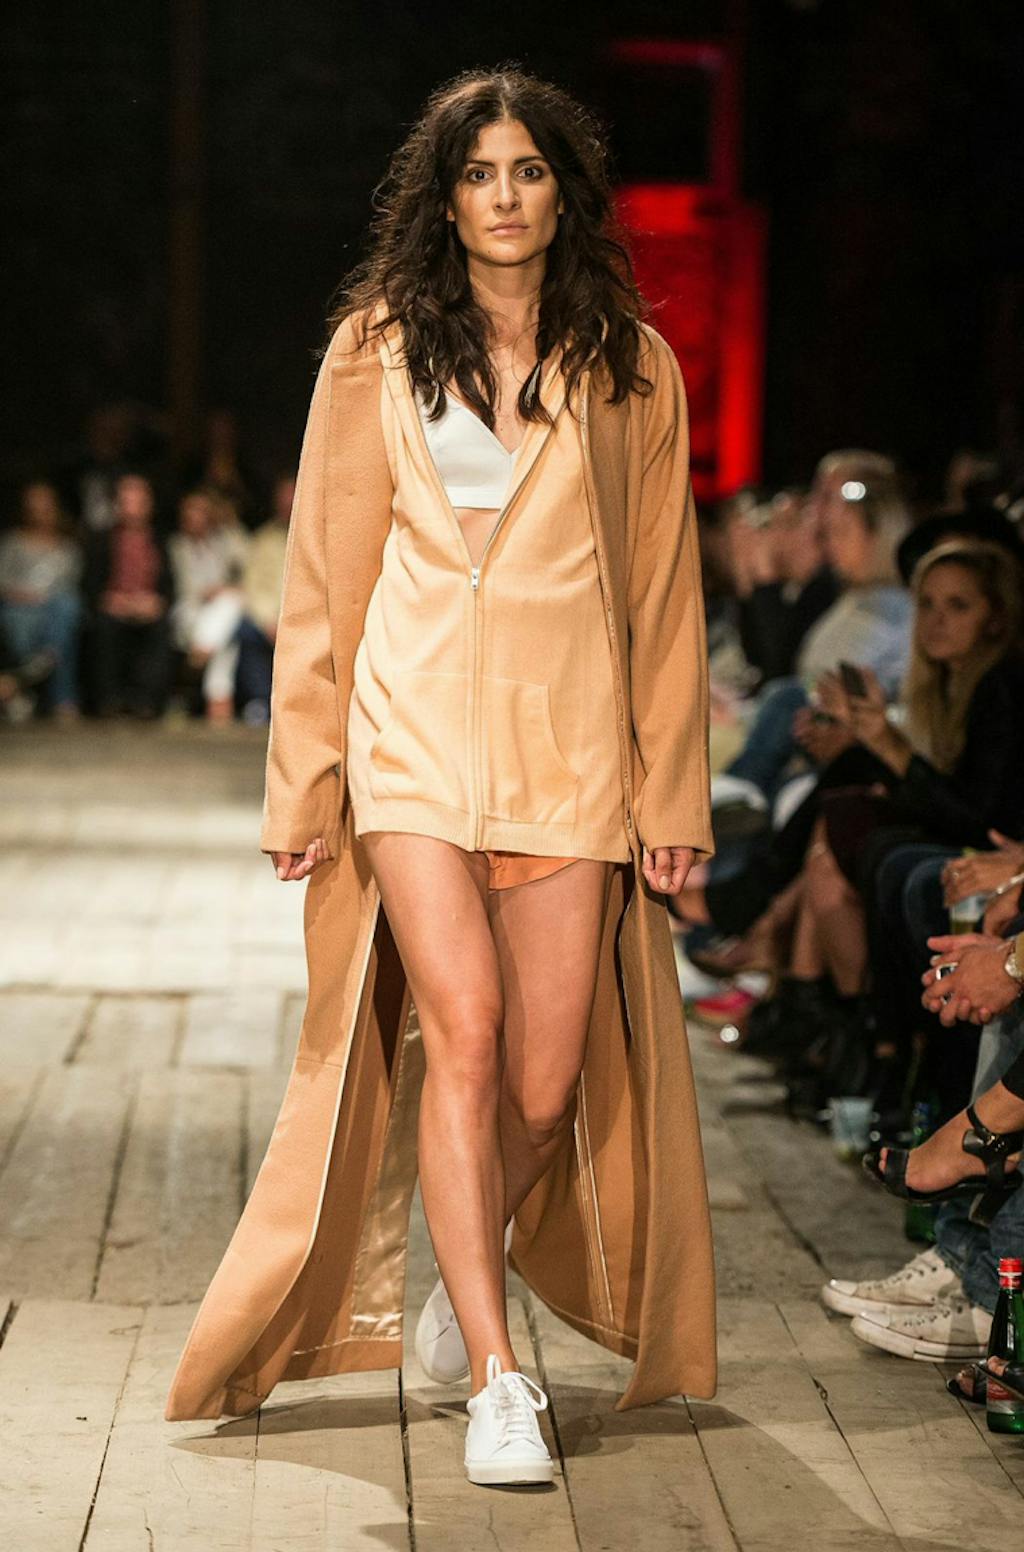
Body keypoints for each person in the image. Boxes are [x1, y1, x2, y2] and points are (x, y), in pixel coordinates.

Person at [163, 68, 716, 1482]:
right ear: (444, 198)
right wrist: (305, 779)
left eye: (528, 170)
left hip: (570, 751)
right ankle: (495, 1372)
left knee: (541, 1088)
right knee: (461, 1033)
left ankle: (463, 1267)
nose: (505, 196)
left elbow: (665, 595)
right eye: (479, 173)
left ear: (564, 194)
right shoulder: (376, 351)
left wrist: (673, 797)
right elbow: (324, 578)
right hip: (409, 742)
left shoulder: (630, 367)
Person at [82, 472, 175, 718]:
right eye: (127, 501)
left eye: (139, 502)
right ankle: (109, 700)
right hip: (113, 606)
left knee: (161, 626)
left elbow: (169, 584)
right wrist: (109, 600)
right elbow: (89, 584)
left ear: (149, 505)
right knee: (104, 627)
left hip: (147, 606)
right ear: (117, 505)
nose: (133, 509)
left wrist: (156, 602)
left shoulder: (160, 539)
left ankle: (146, 702)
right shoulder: (100, 539)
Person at [0, 480, 84, 719]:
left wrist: (45, 600)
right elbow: (2, 582)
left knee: (67, 606)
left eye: (45, 507)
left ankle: (33, 669)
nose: (39, 513)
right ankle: (60, 695)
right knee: (60, 637)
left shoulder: (67, 548)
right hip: (17, 606)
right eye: (34, 507)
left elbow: (70, 584)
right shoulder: (12, 542)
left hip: (53, 610)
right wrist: (28, 596)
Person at [168, 488, 248, 722]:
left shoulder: (222, 543)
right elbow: (183, 589)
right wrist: (211, 592)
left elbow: (247, 558)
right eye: (192, 511)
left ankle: (204, 648)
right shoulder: (176, 546)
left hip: (216, 614)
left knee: (230, 606)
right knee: (230, 624)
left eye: (202, 511)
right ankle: (219, 699)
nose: (196, 517)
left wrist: (230, 524)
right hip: (187, 611)